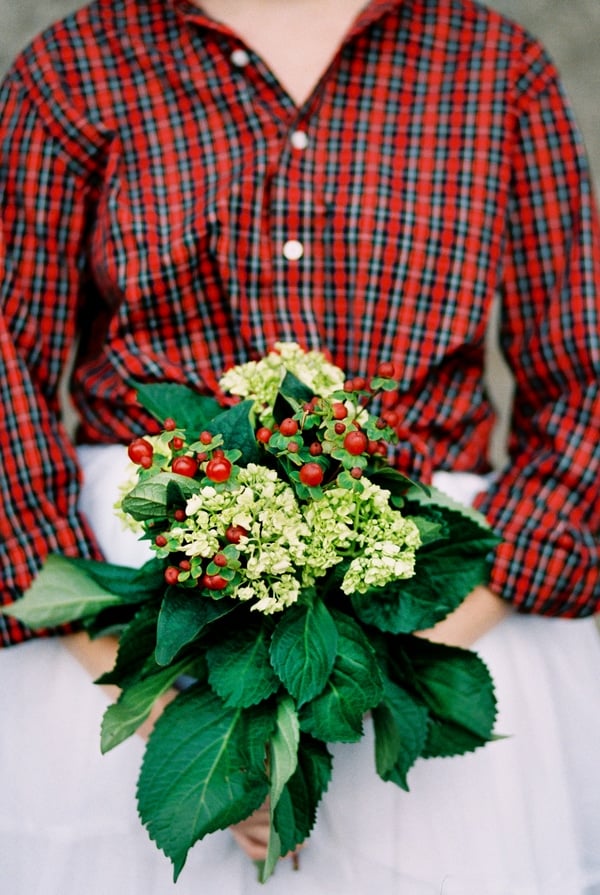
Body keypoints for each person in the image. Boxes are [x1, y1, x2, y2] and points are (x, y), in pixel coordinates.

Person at [0, 0, 599, 892]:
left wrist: (387, 666)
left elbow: (583, 377)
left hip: (440, 607)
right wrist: (170, 708)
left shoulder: (493, 68)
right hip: (137, 617)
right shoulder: (78, 66)